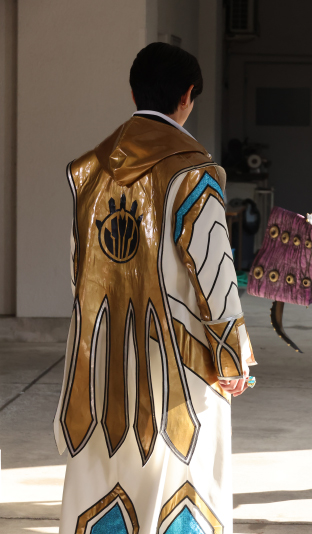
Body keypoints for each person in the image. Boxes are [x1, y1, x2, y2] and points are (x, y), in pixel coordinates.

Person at [54, 42, 255, 533]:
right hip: (177, 365)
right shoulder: (193, 170)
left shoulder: (88, 169)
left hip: (100, 360)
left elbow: (79, 269)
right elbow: (215, 271)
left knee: (101, 478)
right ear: (187, 96)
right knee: (179, 482)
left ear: (133, 93)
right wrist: (232, 355)